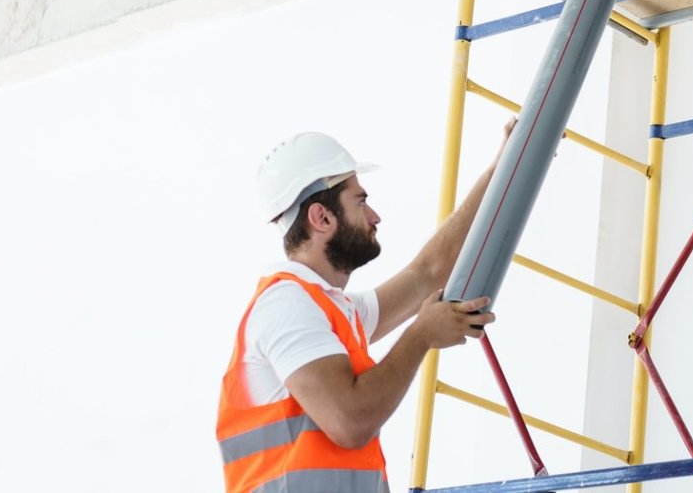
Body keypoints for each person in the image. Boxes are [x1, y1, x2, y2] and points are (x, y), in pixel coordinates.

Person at [215, 127, 506, 493]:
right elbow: (350, 420)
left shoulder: (332, 309)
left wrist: (500, 169)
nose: (375, 216)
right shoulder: (286, 305)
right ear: (321, 218)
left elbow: (428, 272)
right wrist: (420, 336)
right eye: (360, 201)